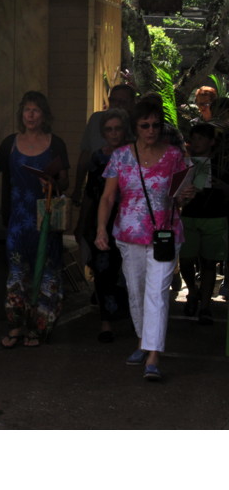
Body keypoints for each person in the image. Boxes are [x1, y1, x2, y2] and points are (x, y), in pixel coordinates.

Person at [0, 91, 70, 348]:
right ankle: (16, 327)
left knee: (47, 275)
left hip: (46, 222)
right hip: (18, 223)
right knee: (17, 276)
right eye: (27, 110)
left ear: (44, 115)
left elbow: (66, 182)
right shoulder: (10, 143)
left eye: (36, 110)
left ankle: (39, 329)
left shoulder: (56, 144)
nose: (30, 115)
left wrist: (52, 181)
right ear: (22, 114)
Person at [95, 94, 194, 381]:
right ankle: (143, 341)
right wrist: (101, 229)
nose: (151, 130)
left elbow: (183, 194)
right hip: (128, 233)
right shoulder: (121, 155)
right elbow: (108, 197)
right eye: (145, 125)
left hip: (165, 233)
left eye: (156, 125)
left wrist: (187, 195)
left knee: (157, 294)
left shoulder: (175, 156)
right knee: (136, 290)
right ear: (135, 128)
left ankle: (153, 355)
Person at [77, 108, 131, 343]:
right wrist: (82, 223)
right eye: (109, 129)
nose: (114, 133)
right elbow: (91, 193)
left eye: (118, 128)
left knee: (127, 270)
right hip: (103, 220)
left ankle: (131, 317)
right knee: (102, 271)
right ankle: (105, 322)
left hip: (131, 220)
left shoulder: (135, 154)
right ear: (103, 133)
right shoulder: (98, 157)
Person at [179, 122, 229, 325]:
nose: (197, 142)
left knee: (210, 263)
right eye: (194, 138)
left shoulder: (222, 163)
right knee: (186, 260)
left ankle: (205, 305)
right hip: (189, 216)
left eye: (201, 138)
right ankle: (193, 291)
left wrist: (223, 187)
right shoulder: (185, 162)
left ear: (211, 141)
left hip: (215, 217)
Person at [71, 84, 136, 206]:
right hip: (96, 190)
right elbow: (85, 156)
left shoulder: (139, 125)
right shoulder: (96, 119)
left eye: (122, 102)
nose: (117, 105)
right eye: (113, 101)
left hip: (126, 196)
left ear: (132, 104)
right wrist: (77, 188)